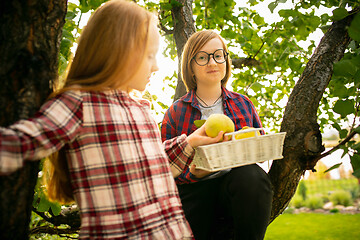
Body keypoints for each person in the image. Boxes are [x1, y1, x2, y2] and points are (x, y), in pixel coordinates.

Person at [0, 1, 224, 239]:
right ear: (118, 50)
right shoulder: (80, 104)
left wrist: (190, 142)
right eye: (149, 55)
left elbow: (153, 170)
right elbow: (20, 143)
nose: (157, 66)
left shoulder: (141, 110)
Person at [161, 30, 273, 240]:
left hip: (234, 188)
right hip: (194, 192)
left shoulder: (243, 104)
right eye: (203, 57)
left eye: (218, 55)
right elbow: (162, 169)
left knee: (252, 176)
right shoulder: (177, 111)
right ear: (191, 66)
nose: (212, 62)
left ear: (226, 60)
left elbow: (259, 151)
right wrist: (193, 174)